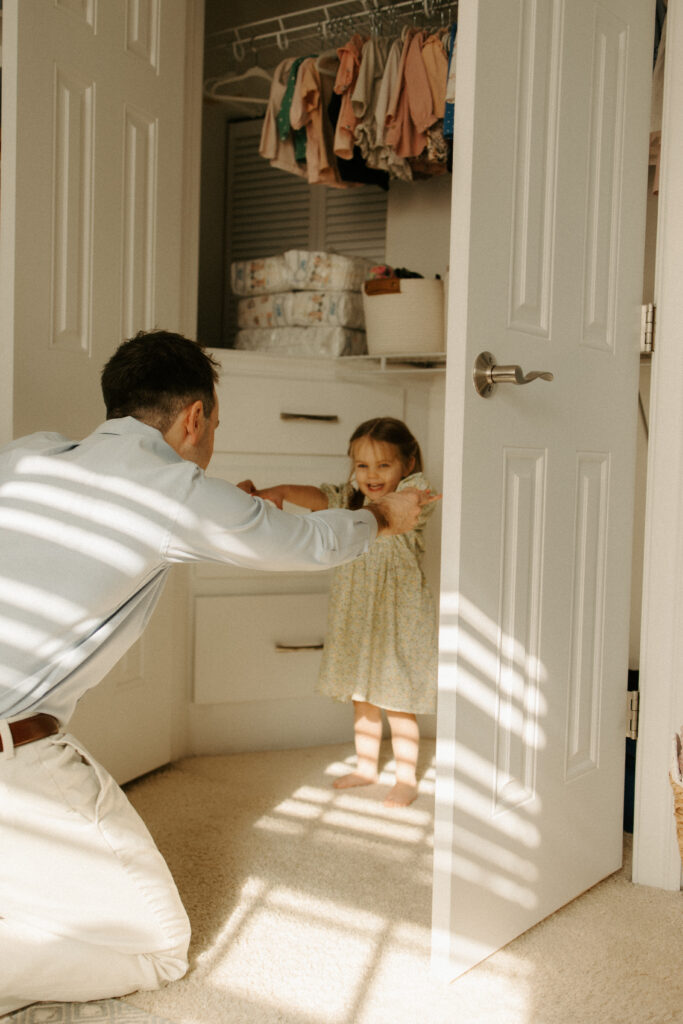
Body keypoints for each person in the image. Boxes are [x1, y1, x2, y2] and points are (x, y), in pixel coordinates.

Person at [0, 331, 438, 1017]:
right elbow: (305, 540)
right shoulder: (171, 486)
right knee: (160, 949)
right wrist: (382, 514)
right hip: (13, 753)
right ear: (194, 418)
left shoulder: (26, 455)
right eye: (213, 429)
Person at [239, 417, 438, 808]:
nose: (372, 475)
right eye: (362, 466)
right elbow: (319, 496)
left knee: (398, 703)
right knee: (362, 699)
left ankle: (405, 777)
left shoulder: (410, 502)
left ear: (407, 464)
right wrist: (277, 490)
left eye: (384, 465)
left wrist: (400, 484)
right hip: (358, 619)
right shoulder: (351, 502)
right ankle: (366, 766)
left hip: (398, 619)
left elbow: (415, 491)